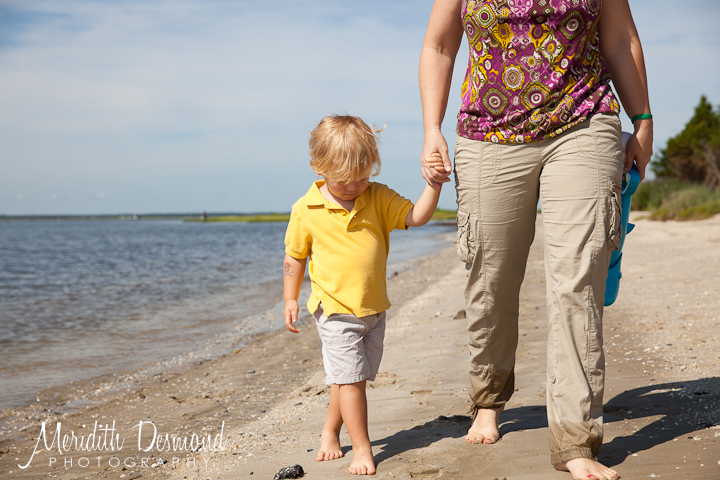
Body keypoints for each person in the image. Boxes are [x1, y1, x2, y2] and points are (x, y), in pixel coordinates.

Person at [419, 1, 653, 479]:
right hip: (487, 133)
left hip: (584, 121)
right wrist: (431, 129)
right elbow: (440, 45)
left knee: (576, 283)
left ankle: (575, 439)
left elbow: (620, 38)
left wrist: (643, 120)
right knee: (491, 279)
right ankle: (489, 397)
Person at [283, 115, 443, 475]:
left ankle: (329, 431)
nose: (355, 186)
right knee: (352, 381)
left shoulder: (379, 196)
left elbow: (416, 217)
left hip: (373, 309)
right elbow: (294, 256)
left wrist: (433, 186)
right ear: (318, 167)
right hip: (334, 310)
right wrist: (290, 298)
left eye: (363, 176)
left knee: (350, 379)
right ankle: (362, 448)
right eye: (344, 180)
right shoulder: (305, 209)